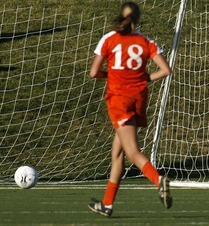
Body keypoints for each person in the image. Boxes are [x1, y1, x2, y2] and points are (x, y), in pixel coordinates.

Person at [87, 2, 172, 217]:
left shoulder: (109, 39)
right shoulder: (146, 42)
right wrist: (145, 78)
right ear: (138, 18)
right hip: (139, 99)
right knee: (117, 153)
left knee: (132, 151)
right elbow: (165, 70)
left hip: (119, 101)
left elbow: (94, 72)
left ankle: (158, 180)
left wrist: (113, 75)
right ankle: (107, 204)